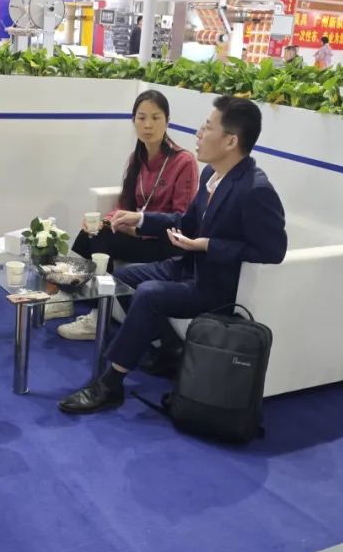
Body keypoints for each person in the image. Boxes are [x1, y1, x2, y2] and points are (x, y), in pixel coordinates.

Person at [58, 96, 287, 414]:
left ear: (231, 141)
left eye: (207, 128)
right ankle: (169, 348)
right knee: (122, 278)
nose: (199, 134)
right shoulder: (212, 175)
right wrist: (140, 219)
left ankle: (111, 384)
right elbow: (185, 221)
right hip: (186, 266)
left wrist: (207, 245)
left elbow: (273, 251)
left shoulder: (255, 190)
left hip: (214, 285)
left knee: (149, 293)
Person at [50, 89, 198, 341]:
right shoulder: (136, 158)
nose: (148, 125)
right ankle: (64, 296)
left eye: (156, 118)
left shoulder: (184, 161)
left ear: (167, 121)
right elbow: (124, 204)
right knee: (90, 233)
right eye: (141, 118)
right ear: (133, 121)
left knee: (103, 240)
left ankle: (97, 316)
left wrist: (136, 228)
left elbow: (182, 219)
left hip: (165, 242)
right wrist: (105, 220)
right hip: (136, 234)